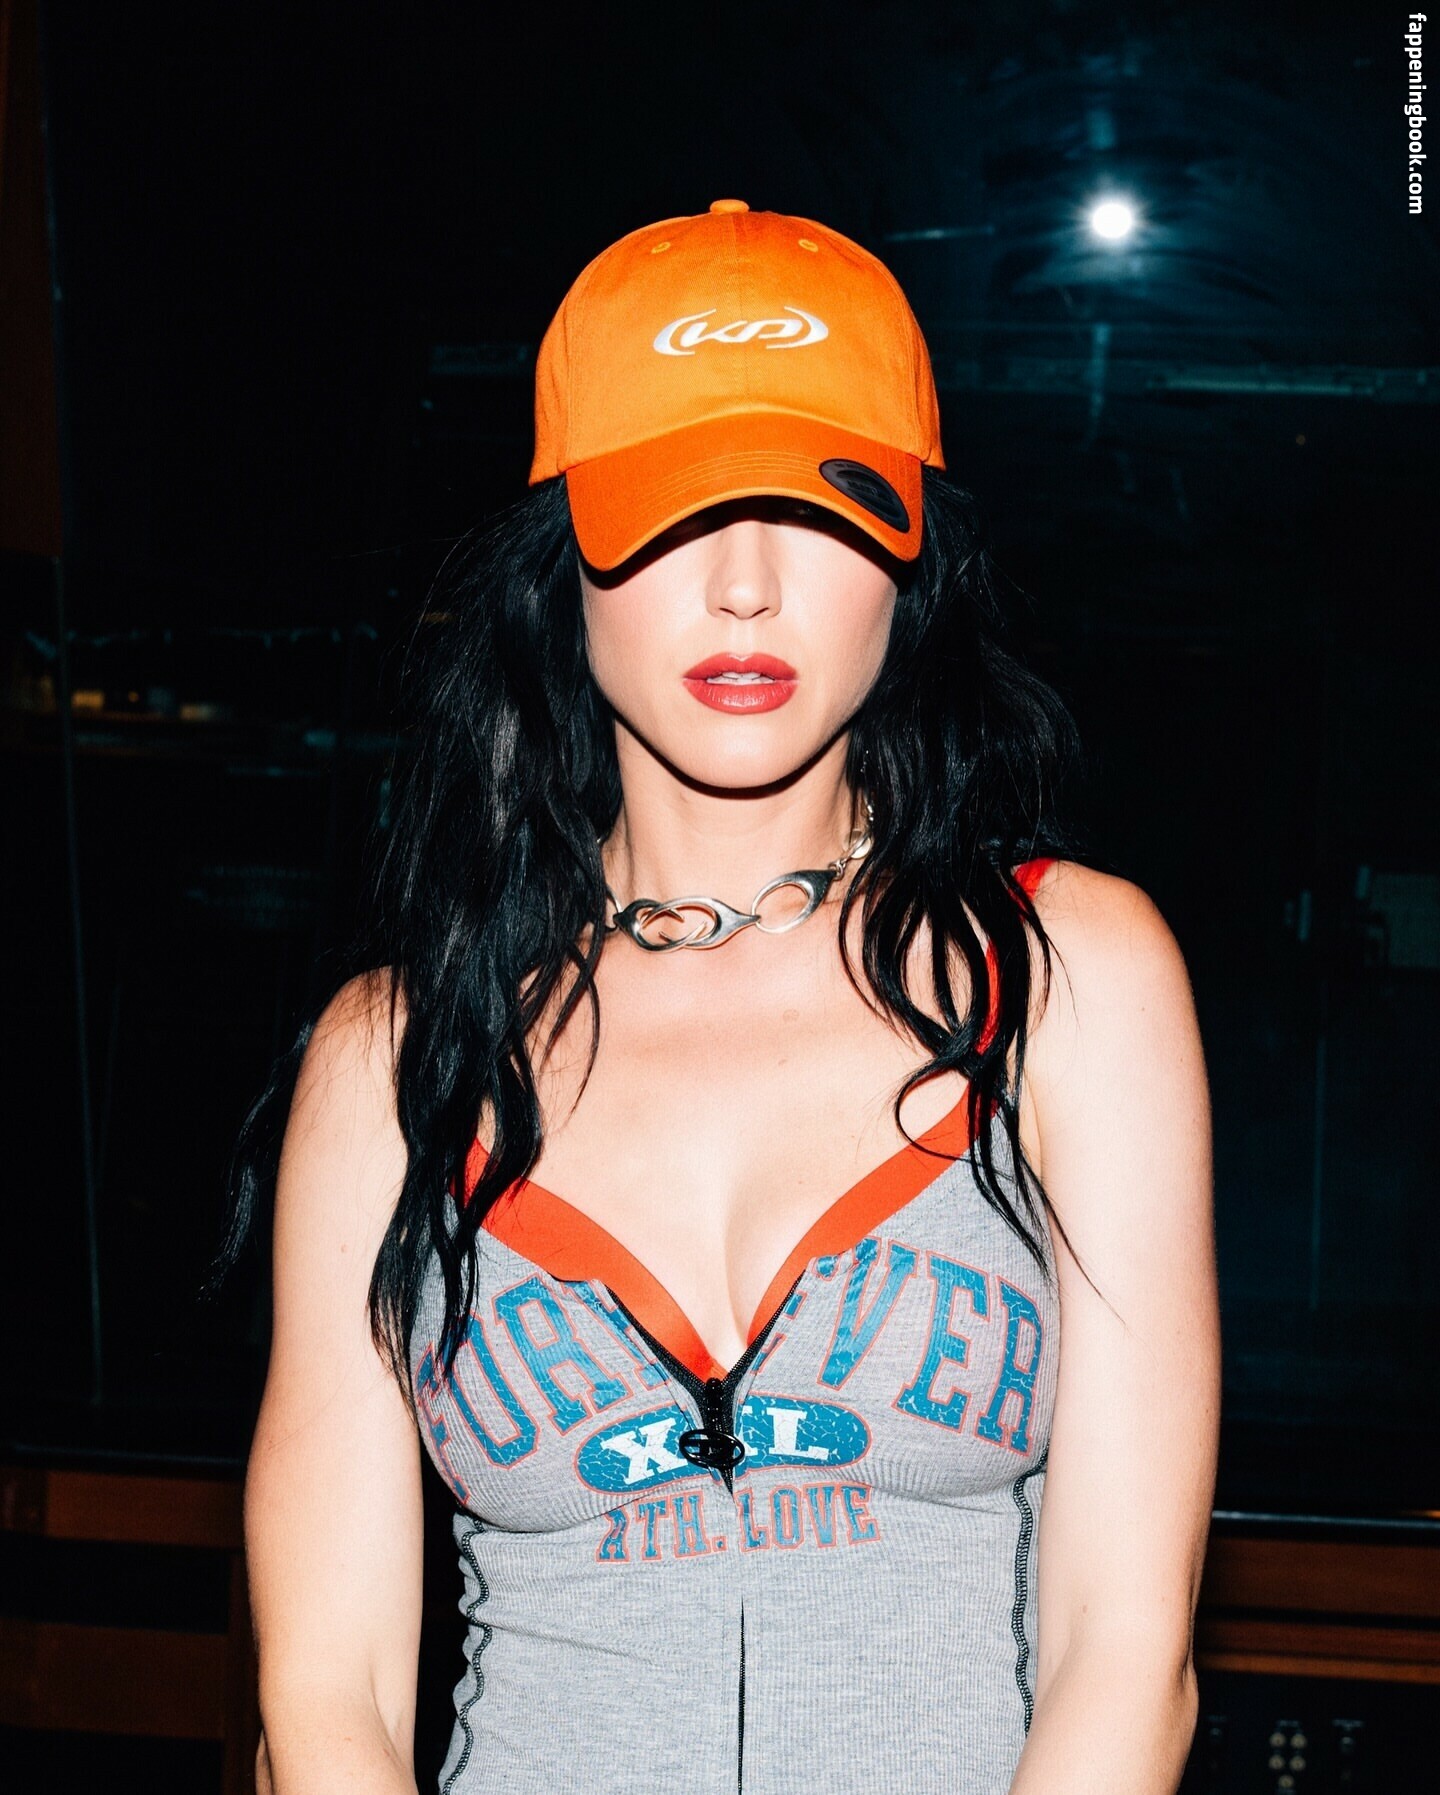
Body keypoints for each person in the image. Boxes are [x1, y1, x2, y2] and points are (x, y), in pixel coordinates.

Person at [229, 198, 1220, 1795]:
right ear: (566, 557)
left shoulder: (1066, 980)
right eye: (677, 509)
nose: (746, 586)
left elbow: (1126, 1653)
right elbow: (325, 1697)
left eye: (822, 507)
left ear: (909, 555)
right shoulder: (396, 1059)